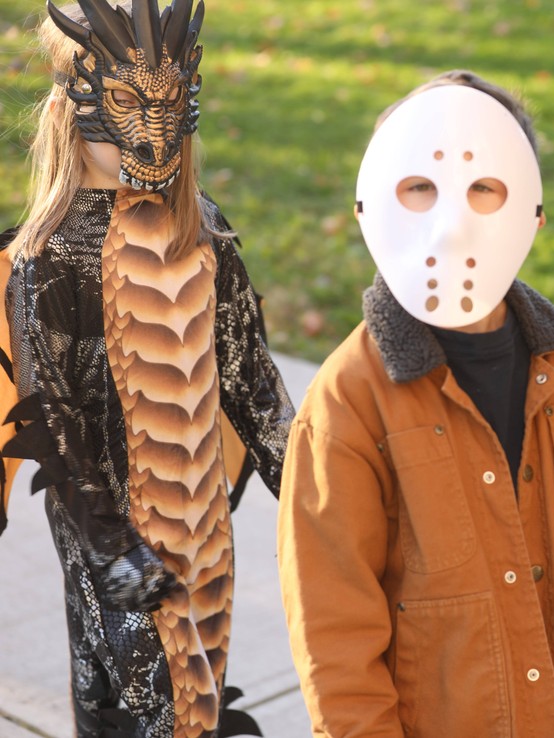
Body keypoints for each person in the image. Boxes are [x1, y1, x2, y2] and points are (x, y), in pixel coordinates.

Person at [277, 70, 554, 738]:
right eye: (420, 189)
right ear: (370, 206)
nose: (450, 220)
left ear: (533, 213)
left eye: (483, 188)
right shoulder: (347, 404)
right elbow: (337, 647)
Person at [0, 2, 294, 736]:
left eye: (166, 101)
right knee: (136, 703)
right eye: (128, 101)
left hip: (202, 526)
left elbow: (252, 380)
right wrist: (109, 544)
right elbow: (55, 415)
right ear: (77, 101)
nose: (152, 128)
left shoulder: (206, 230)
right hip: (107, 531)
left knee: (192, 690)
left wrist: (319, 486)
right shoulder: (49, 259)